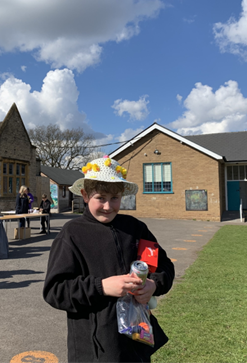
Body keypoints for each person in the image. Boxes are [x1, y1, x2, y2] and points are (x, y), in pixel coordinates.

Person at [43, 156, 175, 363]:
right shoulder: (72, 234)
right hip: (95, 349)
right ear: (85, 196)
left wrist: (153, 284)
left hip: (136, 341)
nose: (107, 206)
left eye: (114, 198)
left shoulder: (135, 228)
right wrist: (101, 286)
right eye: (100, 198)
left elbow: (164, 266)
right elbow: (55, 290)